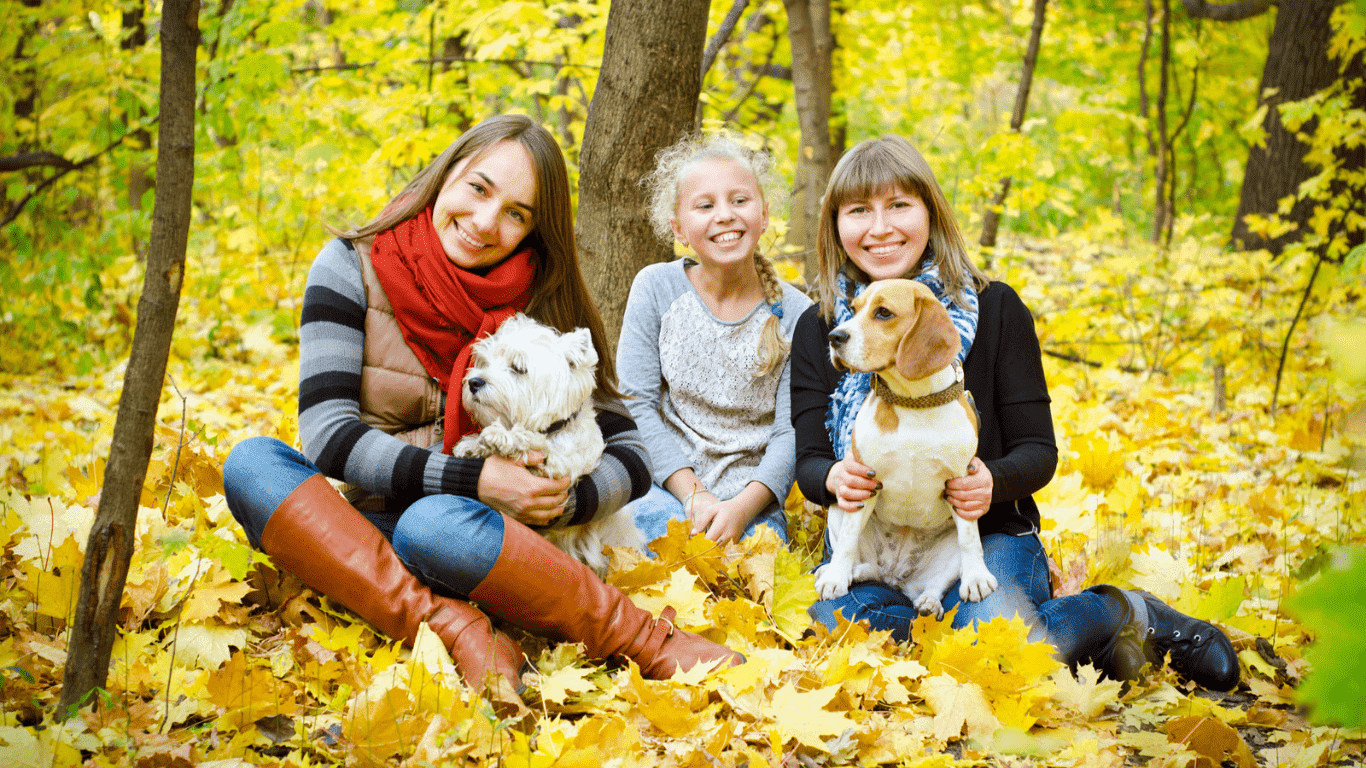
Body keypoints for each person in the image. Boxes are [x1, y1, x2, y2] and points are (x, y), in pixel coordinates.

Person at [222, 115, 743, 707]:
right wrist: (477, 478)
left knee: (436, 524)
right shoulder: (349, 267)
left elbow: (630, 451)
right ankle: (457, 626)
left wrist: (562, 499)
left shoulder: (544, 294)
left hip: (488, 541)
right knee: (252, 465)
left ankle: (643, 640)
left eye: (517, 213)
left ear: (532, 230)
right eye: (478, 187)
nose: (486, 222)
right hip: (366, 531)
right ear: (447, 175)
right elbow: (327, 436)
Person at [790, 135, 1239, 691]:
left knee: (996, 643)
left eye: (899, 205)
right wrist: (832, 476)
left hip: (986, 534)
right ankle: (982, 646)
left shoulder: (998, 309)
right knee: (841, 624)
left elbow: (1038, 451)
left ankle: (1128, 615)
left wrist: (990, 481)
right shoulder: (826, 327)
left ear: (931, 211)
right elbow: (808, 457)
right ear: (837, 225)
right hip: (874, 544)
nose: (880, 227)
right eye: (859, 210)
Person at [617, 133, 813, 547]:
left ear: (763, 215)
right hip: (665, 489)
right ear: (679, 228)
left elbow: (789, 432)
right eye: (705, 206)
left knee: (742, 580)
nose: (725, 215)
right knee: (650, 550)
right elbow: (636, 403)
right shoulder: (656, 287)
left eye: (740, 200)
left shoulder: (796, 311)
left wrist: (741, 508)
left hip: (752, 506)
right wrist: (693, 494)